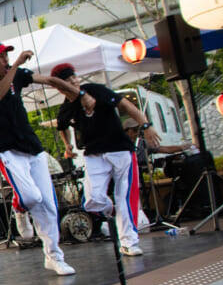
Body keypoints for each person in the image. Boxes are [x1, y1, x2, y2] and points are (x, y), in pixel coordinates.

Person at [0, 40, 91, 275]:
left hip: (32, 148)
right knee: (31, 196)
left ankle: (54, 256)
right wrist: (15, 65)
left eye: (7, 56)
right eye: (1, 57)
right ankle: (19, 207)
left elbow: (49, 80)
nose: (6, 60)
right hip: (7, 150)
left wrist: (79, 94)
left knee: (48, 204)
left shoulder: (17, 74)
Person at [52, 63, 160, 256]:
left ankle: (128, 242)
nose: (74, 81)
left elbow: (125, 105)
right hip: (94, 154)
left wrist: (146, 125)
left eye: (74, 77)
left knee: (125, 196)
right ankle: (113, 209)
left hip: (119, 149)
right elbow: (62, 126)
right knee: (91, 201)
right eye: (68, 80)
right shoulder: (66, 108)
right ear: (60, 87)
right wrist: (67, 145)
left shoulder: (95, 90)